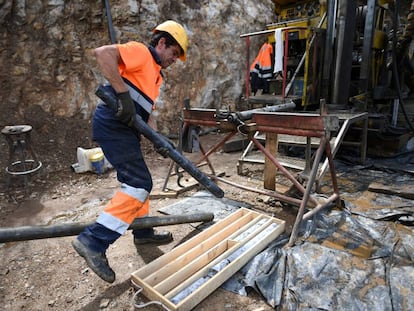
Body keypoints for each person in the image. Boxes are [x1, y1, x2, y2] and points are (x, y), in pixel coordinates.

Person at [72, 20, 188, 283]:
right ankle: (93, 241)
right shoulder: (141, 52)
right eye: (173, 53)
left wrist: (158, 139)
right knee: (139, 182)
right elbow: (103, 54)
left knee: (137, 180)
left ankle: (142, 230)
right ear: (161, 43)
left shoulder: (156, 76)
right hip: (113, 126)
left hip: (126, 130)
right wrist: (122, 94)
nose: (174, 59)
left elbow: (147, 115)